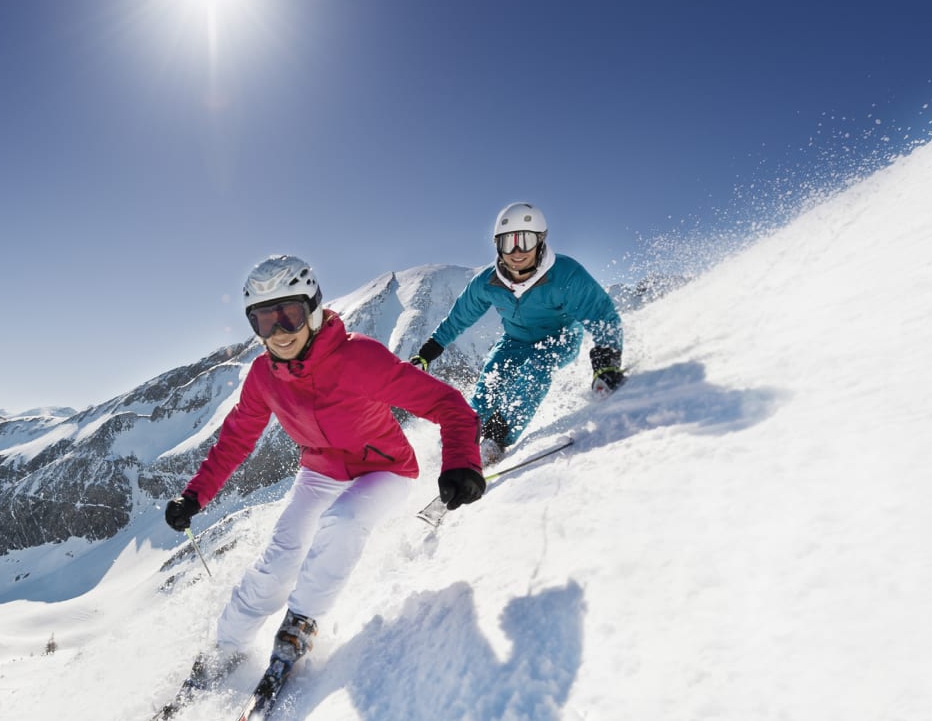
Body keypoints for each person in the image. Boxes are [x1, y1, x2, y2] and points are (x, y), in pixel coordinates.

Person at [164, 254, 484, 684]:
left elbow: (449, 405)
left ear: (312, 310)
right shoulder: (264, 376)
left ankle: (300, 625)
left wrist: (461, 461)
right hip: (320, 471)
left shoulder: (359, 359)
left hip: (385, 470)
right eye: (263, 322)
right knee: (279, 559)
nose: (277, 333)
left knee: (344, 520)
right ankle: (226, 645)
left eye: (289, 317)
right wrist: (194, 495)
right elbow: (236, 440)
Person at [410, 202, 625, 465]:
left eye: (525, 240)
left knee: (537, 368)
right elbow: (458, 318)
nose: (516, 251)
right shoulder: (488, 282)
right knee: (490, 380)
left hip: (560, 336)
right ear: (497, 245)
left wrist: (607, 359)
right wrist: (427, 352)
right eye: (507, 242)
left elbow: (601, 313)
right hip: (515, 340)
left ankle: (496, 439)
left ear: (541, 240)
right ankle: (460, 442)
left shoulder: (565, 274)